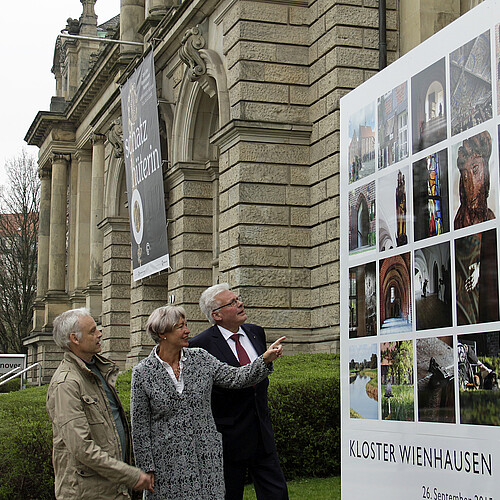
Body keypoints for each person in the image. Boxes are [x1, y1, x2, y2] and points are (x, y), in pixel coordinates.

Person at [131, 305, 285, 500]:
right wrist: (146, 468)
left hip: (206, 459)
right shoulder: (143, 373)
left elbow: (236, 377)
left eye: (186, 325)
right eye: (180, 327)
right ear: (163, 333)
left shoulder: (201, 358)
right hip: (166, 464)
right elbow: (140, 426)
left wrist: (264, 360)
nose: (187, 331)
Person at [189, 283, 289, 500]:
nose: (240, 304)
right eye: (232, 302)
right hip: (228, 441)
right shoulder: (200, 345)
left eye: (238, 299)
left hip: (262, 434)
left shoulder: (256, 333)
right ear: (217, 315)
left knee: (277, 494)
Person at [46, 308, 153, 499]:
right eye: (92, 331)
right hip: (87, 493)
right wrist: (130, 475)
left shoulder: (97, 371)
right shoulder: (66, 383)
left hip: (113, 489)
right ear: (75, 339)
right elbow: (81, 447)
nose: (100, 333)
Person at [454, 130, 494, 229]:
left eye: (475, 170)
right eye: (465, 176)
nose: (470, 188)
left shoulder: (490, 218)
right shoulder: (459, 222)